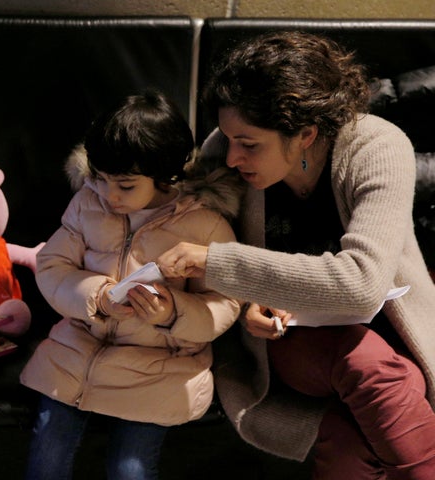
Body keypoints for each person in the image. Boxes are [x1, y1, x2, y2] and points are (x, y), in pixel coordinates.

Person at [156, 31, 435, 479]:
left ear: (305, 133)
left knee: (357, 438)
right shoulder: (219, 158)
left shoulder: (376, 148)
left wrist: (218, 261)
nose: (231, 157)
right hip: (288, 346)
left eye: (250, 144)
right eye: (229, 138)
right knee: (369, 366)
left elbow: (362, 286)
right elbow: (187, 271)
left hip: (392, 330)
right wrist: (248, 302)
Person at [19, 89, 242, 479]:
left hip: (161, 370)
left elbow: (225, 304)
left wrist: (172, 312)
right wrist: (98, 297)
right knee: (46, 460)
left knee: (129, 470)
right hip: (78, 354)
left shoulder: (206, 224)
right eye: (101, 179)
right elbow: (52, 265)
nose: (110, 195)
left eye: (125, 185)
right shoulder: (88, 204)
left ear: (163, 175)